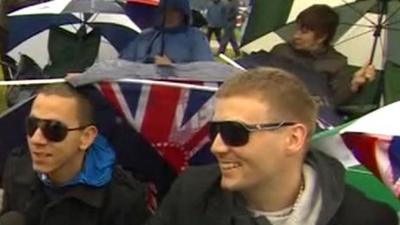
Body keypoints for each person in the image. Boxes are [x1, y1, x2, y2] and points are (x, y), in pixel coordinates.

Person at [145, 67, 398, 225]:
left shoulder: (367, 219)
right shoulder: (193, 192)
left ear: (293, 138)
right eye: (216, 131)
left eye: (235, 132)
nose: (217, 147)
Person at [1, 83, 150, 225]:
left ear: (86, 137)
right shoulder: (16, 168)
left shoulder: (122, 200)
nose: (36, 139)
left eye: (54, 129)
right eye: (32, 126)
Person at [270, 4, 376, 106]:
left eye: (304, 32)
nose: (296, 36)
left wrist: (353, 86)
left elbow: (334, 103)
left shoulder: (336, 63)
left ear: (322, 37)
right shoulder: (281, 50)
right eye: (296, 29)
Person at [120, 0, 213, 65]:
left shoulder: (196, 38)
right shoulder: (146, 36)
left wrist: (173, 68)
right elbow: (124, 62)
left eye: (175, 11)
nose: (170, 14)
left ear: (183, 13)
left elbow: (204, 70)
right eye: (166, 10)